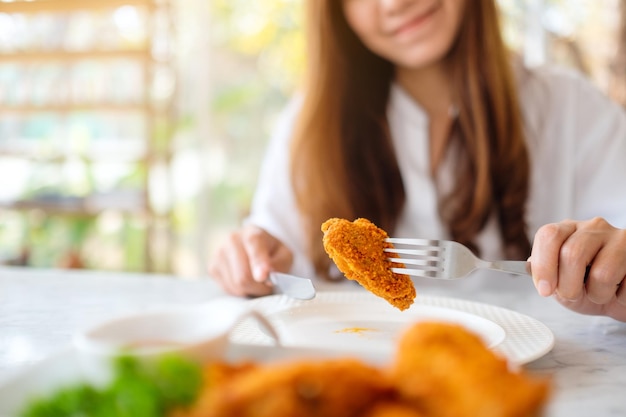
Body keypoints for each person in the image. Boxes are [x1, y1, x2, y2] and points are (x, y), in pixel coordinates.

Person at [209, 0, 626, 322]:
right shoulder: (306, 126)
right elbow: (277, 269)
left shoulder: (574, 109)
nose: (394, 4)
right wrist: (252, 266)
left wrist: (614, 276)